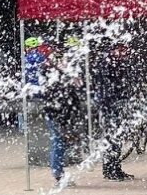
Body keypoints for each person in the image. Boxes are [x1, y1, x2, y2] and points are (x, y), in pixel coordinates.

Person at [94, 44, 135, 181]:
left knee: (117, 138)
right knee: (111, 138)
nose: (124, 53)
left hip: (115, 104)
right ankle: (109, 169)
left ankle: (115, 167)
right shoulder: (107, 64)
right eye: (121, 50)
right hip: (108, 105)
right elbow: (106, 87)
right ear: (114, 50)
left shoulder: (118, 64)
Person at [42, 50, 85, 183]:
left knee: (60, 142)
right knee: (59, 142)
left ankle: (59, 172)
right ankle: (58, 174)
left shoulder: (63, 75)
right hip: (57, 114)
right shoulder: (55, 77)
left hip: (60, 114)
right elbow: (61, 99)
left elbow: (77, 91)